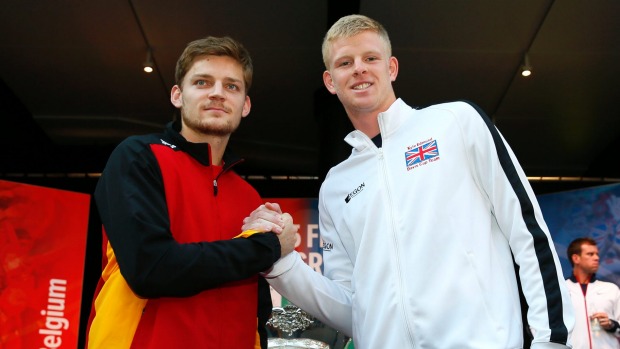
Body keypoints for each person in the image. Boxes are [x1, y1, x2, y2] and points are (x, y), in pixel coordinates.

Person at [242, 14, 575, 348]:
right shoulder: (335, 186)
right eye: (345, 62)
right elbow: (352, 308)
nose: (359, 68)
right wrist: (282, 264)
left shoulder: (456, 122)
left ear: (392, 68)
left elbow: (528, 232)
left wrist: (553, 341)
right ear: (330, 81)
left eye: (370, 58)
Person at [86, 36, 296, 349]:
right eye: (202, 82)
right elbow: (150, 268)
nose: (217, 93)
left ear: (245, 105)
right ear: (177, 95)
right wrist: (267, 247)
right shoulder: (139, 156)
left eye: (231, 86)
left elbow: (257, 309)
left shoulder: (248, 195)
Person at [566, 237, 620, 349]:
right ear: (576, 258)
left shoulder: (611, 289)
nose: (596, 258)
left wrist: (611, 325)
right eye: (590, 254)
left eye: (597, 254)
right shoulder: (561, 290)